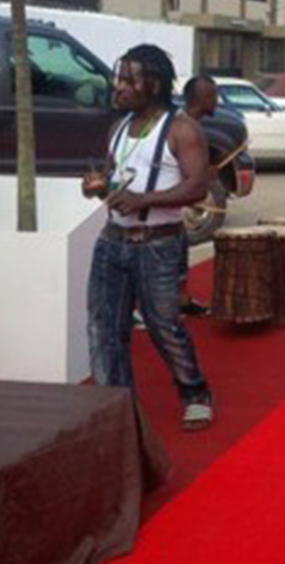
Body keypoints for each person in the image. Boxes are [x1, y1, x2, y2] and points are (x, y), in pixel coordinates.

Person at [83, 44, 213, 431]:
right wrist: (98, 187)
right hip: (112, 241)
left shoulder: (181, 129)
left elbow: (198, 187)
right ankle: (117, 405)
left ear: (153, 85)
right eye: (118, 78)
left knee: (164, 325)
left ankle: (195, 394)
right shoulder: (119, 128)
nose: (119, 86)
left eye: (128, 80)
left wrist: (145, 199)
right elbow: (115, 182)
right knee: (104, 327)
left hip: (158, 245)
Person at [177, 75, 220, 317]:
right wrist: (205, 174)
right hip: (168, 204)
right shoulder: (185, 127)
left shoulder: (189, 124)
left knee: (180, 252)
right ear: (203, 98)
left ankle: (182, 300)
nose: (218, 101)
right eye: (214, 96)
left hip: (177, 203)